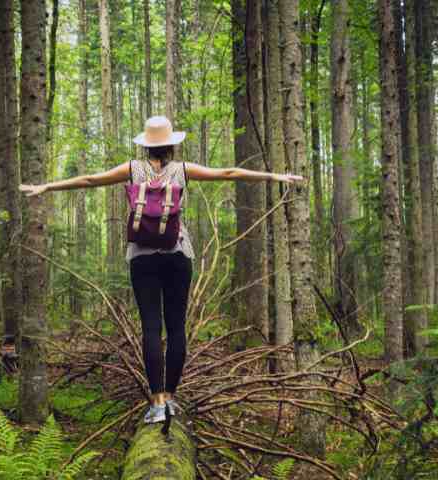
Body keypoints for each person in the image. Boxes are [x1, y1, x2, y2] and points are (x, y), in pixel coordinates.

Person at [19, 116, 303, 424]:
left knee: (151, 328)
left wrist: (45, 186)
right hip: (177, 253)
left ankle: (156, 403)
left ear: (145, 145)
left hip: (142, 257)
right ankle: (171, 398)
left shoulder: (131, 169)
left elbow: (88, 180)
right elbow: (229, 172)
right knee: (177, 327)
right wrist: (275, 176)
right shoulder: (182, 170)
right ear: (171, 144)